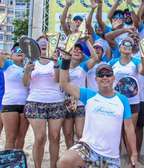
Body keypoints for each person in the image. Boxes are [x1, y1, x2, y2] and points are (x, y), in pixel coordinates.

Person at [57, 60, 137, 167]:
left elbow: (129, 128)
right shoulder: (88, 95)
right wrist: (66, 60)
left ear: (113, 78)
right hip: (88, 148)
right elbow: (64, 84)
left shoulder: (123, 100)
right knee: (65, 162)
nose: (104, 77)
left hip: (111, 156)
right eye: (101, 75)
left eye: (108, 74)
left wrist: (134, 152)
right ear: (96, 79)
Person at [23, 36, 65, 168]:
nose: (43, 44)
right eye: (40, 42)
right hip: (35, 103)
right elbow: (25, 83)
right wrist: (28, 70)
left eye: (46, 42)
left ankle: (53, 166)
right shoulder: (31, 62)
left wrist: (57, 63)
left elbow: (58, 80)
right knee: (40, 137)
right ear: (35, 47)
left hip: (56, 102)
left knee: (55, 136)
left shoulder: (56, 61)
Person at [62, 40, 99, 149]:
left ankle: (82, 158)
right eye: (75, 49)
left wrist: (87, 41)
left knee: (80, 134)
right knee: (68, 134)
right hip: (66, 102)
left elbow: (95, 58)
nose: (77, 51)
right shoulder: (62, 65)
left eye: (80, 50)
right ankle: (70, 156)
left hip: (80, 103)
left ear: (82, 54)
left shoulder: (83, 66)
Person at [0, 43, 29, 150]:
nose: (19, 51)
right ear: (10, 55)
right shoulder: (7, 65)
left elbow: (27, 84)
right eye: (16, 50)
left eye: (22, 50)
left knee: (21, 138)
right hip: (9, 104)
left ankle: (18, 164)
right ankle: (8, 164)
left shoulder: (29, 67)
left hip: (25, 105)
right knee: (10, 138)